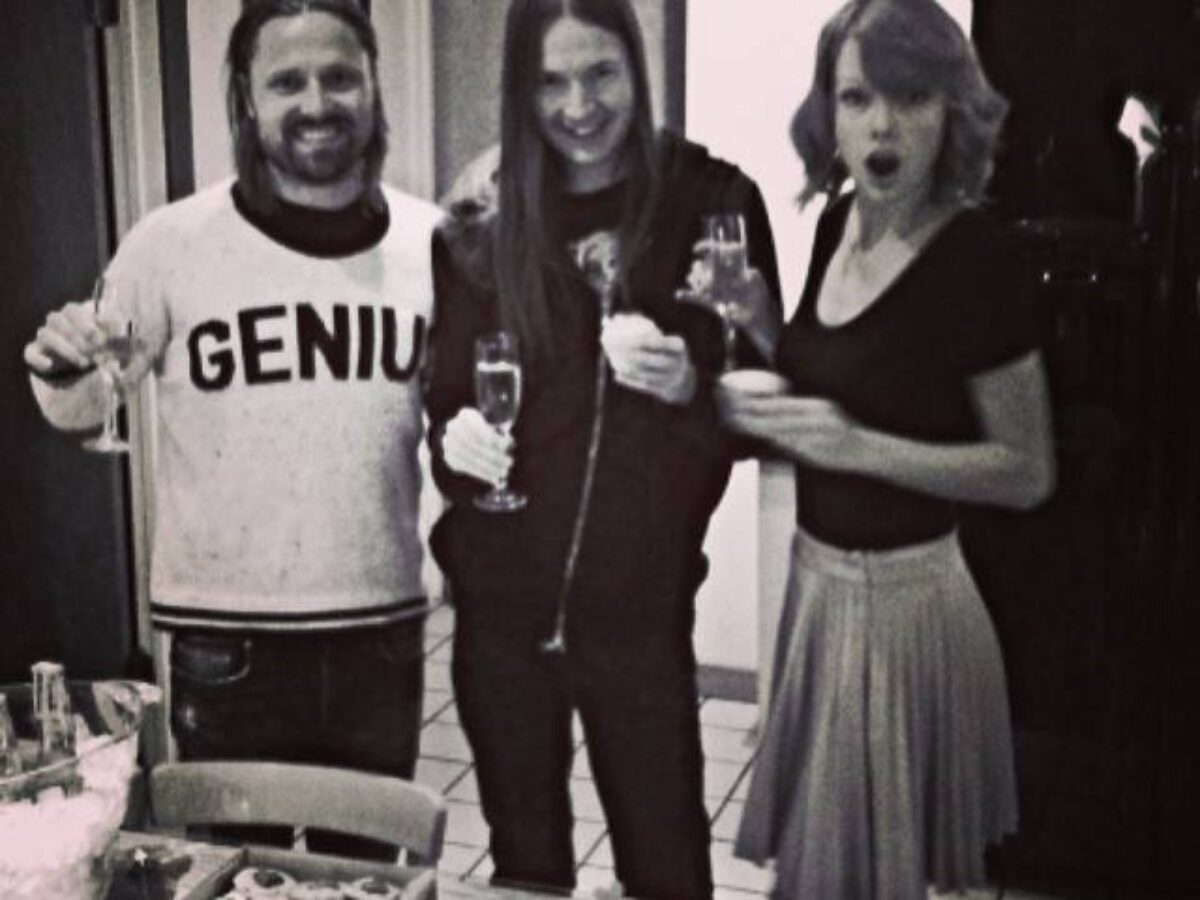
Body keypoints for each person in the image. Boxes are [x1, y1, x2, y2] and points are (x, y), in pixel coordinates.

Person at [23, 0, 441, 861]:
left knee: (365, 877)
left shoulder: (433, 244)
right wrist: (60, 361)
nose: (316, 103)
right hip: (226, 641)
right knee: (232, 873)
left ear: (373, 85)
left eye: (339, 76)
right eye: (287, 82)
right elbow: (81, 403)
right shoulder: (169, 243)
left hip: (380, 633)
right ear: (247, 98)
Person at [425, 0, 781, 895]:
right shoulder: (480, 219)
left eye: (600, 74)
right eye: (549, 81)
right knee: (526, 870)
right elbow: (447, 405)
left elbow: (757, 398)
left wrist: (694, 384)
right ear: (521, 89)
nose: (578, 106)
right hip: (500, 620)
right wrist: (454, 445)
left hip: (640, 619)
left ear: (637, 65)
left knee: (667, 870)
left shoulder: (713, 203)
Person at [718, 1, 1056, 898]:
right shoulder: (839, 222)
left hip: (905, 614)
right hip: (819, 595)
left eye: (912, 97)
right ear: (826, 112)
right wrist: (760, 318)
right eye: (857, 97)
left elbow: (1027, 470)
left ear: (953, 110)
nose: (882, 126)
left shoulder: (977, 257)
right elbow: (841, 378)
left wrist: (858, 447)